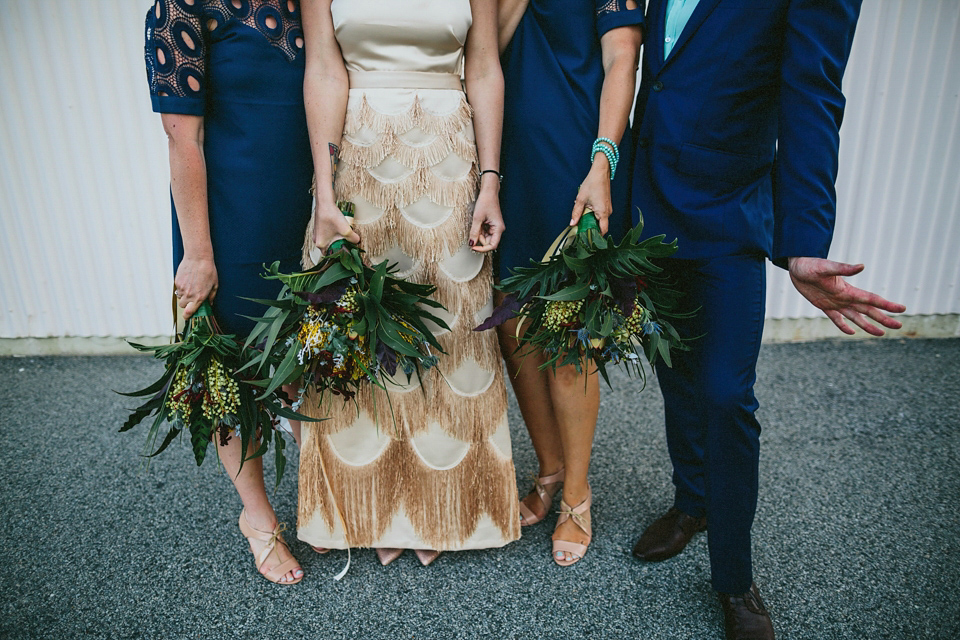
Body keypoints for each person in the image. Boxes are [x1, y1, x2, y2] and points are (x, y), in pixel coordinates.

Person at [627, 1, 906, 638]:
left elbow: (812, 90)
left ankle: (733, 576)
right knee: (673, 368)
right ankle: (692, 501)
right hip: (644, 204)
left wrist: (803, 238)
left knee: (727, 395)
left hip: (728, 209)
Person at [295, 0, 519, 567]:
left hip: (447, 153)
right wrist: (325, 192)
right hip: (360, 153)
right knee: (364, 325)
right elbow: (323, 68)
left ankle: (438, 502)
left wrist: (489, 181)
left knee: (453, 325)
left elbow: (485, 67)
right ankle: (377, 509)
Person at [144, 0, 314, 584]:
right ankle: (259, 519)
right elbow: (180, 140)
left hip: (302, 209)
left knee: (303, 358)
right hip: (229, 218)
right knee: (232, 373)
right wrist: (197, 254)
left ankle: (324, 497)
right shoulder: (181, 7)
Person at [495, 0, 643, 566]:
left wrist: (602, 160)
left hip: (576, 158)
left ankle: (577, 496)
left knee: (567, 334)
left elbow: (622, 55)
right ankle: (551, 469)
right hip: (506, 156)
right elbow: (486, 46)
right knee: (513, 324)